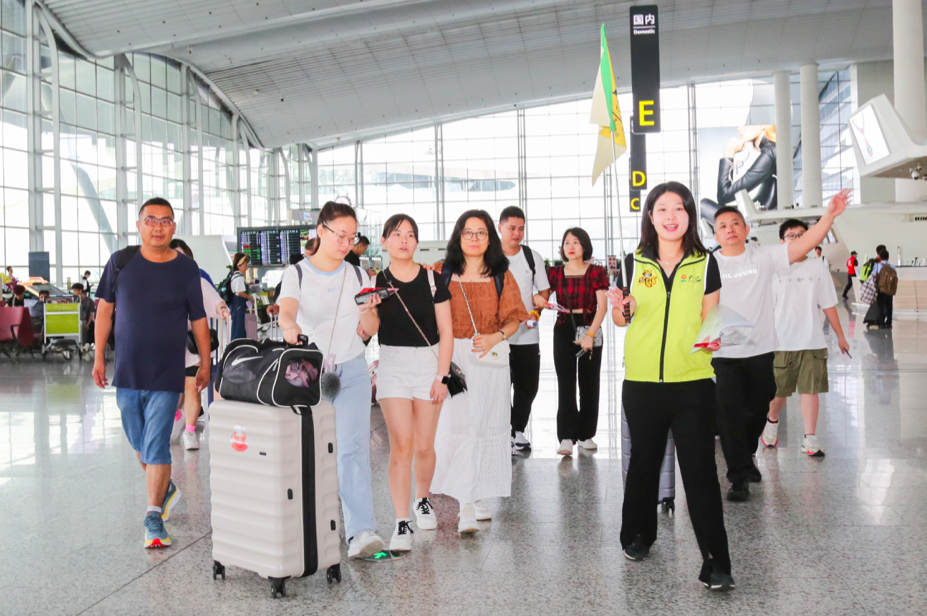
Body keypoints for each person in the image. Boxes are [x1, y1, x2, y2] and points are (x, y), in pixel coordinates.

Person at [609, 181, 733, 592]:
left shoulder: (705, 263)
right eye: (661, 208)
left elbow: (711, 316)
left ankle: (716, 562)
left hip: (692, 382)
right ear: (650, 216)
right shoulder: (632, 263)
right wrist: (622, 308)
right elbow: (621, 319)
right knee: (643, 463)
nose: (670, 216)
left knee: (700, 472)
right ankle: (638, 535)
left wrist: (713, 337)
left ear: (689, 215)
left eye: (678, 208)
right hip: (642, 382)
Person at [711, 188, 850, 502]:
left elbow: (805, 243)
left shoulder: (764, 256)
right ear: (716, 234)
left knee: (759, 407)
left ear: (746, 229)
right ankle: (738, 477)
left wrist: (829, 215)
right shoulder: (709, 264)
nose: (730, 229)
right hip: (725, 352)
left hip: (761, 350)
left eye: (735, 223)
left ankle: (748, 455)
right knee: (729, 414)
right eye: (723, 226)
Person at [92, 197, 211, 549]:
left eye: (165, 220)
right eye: (151, 220)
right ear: (139, 225)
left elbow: (199, 319)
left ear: (173, 226)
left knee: (157, 444)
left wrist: (205, 362)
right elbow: (104, 312)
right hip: (127, 370)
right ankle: (165, 488)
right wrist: (98, 357)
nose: (158, 226)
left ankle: (153, 515)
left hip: (167, 371)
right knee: (140, 444)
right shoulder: (121, 262)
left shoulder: (186, 268)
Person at [278, 201, 385, 559]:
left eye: (351, 237)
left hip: (351, 367)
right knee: (309, 450)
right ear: (321, 231)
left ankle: (360, 530)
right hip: (309, 369)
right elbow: (286, 312)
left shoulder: (358, 276)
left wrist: (368, 311)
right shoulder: (297, 273)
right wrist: (290, 326)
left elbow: (371, 327)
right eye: (340, 235)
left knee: (352, 448)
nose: (346, 243)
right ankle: (310, 525)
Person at [430, 209, 527, 534]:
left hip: (488, 360)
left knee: (484, 425)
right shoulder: (441, 272)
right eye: (468, 232)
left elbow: (514, 318)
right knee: (460, 425)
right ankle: (466, 503)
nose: (474, 238)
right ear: (458, 236)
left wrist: (495, 336)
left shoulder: (501, 274)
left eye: (481, 233)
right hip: (453, 359)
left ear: (490, 238)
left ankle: (474, 493)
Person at [373, 214, 453, 551]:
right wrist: (366, 308)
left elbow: (446, 331)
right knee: (401, 446)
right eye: (397, 234)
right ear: (384, 241)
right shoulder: (376, 282)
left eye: (410, 235)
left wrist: (442, 376)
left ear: (417, 242)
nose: (404, 240)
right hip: (393, 365)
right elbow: (368, 329)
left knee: (423, 445)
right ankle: (401, 520)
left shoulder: (433, 279)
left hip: (429, 365)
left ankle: (422, 498)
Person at [762, 220, 850, 457]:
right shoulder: (773, 269)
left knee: (811, 390)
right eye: (792, 236)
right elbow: (765, 308)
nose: (798, 239)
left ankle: (810, 438)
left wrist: (841, 336)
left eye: (802, 234)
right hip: (781, 342)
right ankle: (771, 421)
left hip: (812, 341)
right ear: (782, 241)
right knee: (779, 392)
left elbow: (828, 304)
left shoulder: (817, 267)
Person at [547, 227, 608, 456]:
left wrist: (590, 335)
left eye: (576, 242)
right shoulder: (554, 273)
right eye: (567, 242)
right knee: (566, 382)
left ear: (585, 246)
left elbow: (603, 307)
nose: (570, 247)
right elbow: (543, 297)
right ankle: (566, 436)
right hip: (564, 327)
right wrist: (536, 305)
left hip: (589, 327)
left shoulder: (596, 272)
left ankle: (585, 435)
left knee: (589, 383)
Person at [498, 206, 551, 451]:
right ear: (500, 227)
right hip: (498, 336)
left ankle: (516, 429)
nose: (516, 233)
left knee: (528, 387)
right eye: (511, 228)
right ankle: (508, 431)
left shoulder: (532, 256)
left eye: (521, 228)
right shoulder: (489, 257)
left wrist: (537, 310)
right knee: (499, 386)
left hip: (527, 334)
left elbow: (543, 292)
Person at [168, 240, 230, 451]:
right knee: (172, 391)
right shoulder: (159, 282)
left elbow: (214, 299)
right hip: (167, 345)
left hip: (192, 344)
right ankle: (177, 417)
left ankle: (190, 431)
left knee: (191, 388)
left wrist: (221, 308)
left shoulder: (197, 282)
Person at [228, 253, 251, 341]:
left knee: (238, 325)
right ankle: (238, 344)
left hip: (237, 304)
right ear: (239, 265)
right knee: (238, 326)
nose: (246, 265)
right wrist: (250, 298)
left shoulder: (236, 275)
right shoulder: (239, 277)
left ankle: (237, 343)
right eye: (244, 263)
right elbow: (240, 292)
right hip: (238, 303)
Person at [71, 283, 96, 354]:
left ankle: (87, 344)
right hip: (76, 320)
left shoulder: (89, 301)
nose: (74, 293)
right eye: (73, 291)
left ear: (80, 291)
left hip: (86, 320)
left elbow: (91, 315)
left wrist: (88, 324)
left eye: (75, 291)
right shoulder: (73, 300)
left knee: (92, 325)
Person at [876, 247, 896, 328]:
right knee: (889, 305)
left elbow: (874, 276)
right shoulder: (892, 266)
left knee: (880, 306)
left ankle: (881, 323)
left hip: (880, 289)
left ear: (880, 257)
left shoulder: (877, 266)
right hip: (889, 288)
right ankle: (889, 323)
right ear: (888, 257)